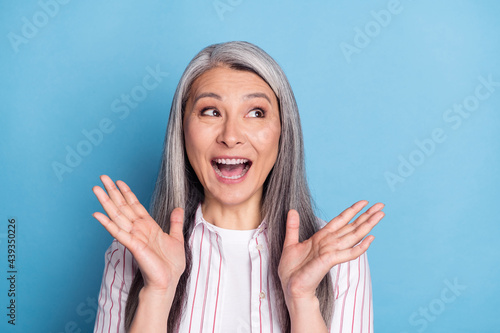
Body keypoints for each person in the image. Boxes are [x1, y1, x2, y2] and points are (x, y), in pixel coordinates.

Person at [92, 41, 385, 333]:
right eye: (210, 111)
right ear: (182, 130)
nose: (230, 136)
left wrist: (302, 300)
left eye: (256, 113)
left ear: (284, 132)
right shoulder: (132, 253)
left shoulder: (337, 258)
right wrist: (158, 292)